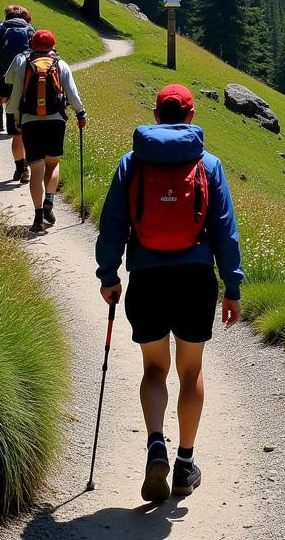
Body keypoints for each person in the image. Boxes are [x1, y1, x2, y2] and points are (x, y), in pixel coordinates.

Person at [95, 84, 243, 503]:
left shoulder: (131, 163)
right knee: (191, 372)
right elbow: (225, 233)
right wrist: (232, 288)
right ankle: (184, 464)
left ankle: (155, 444)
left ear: (157, 116)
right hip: (195, 279)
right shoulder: (208, 164)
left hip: (147, 279)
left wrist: (109, 276)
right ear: (192, 117)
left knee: (155, 369)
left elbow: (111, 227)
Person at [5, 29, 87, 232]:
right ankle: (50, 199)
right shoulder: (61, 64)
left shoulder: (25, 64)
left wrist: (15, 116)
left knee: (36, 169)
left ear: (32, 44)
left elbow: (15, 94)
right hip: (55, 120)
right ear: (52, 45)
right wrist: (81, 113)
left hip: (30, 121)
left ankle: (38, 216)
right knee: (52, 162)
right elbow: (72, 94)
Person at [0, 5, 34, 180]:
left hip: (3, 77)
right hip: (26, 81)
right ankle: (27, 168)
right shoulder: (29, 30)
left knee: (16, 133)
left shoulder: (0, 29)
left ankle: (19, 168)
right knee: (28, 129)